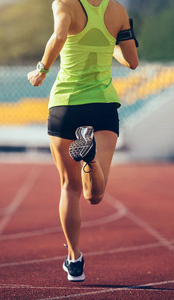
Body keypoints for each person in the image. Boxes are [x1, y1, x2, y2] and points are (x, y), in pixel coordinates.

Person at [27, 0, 138, 282]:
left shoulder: (64, 4)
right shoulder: (117, 11)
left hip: (66, 105)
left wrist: (41, 69)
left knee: (69, 188)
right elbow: (132, 61)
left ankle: (74, 259)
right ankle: (89, 157)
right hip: (102, 106)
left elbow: (60, 35)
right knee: (95, 195)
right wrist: (108, 42)